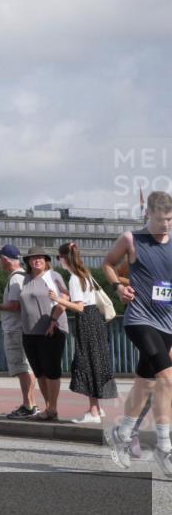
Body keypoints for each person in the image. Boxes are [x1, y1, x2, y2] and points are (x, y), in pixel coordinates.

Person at [102, 190, 172, 475]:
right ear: (148, 215)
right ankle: (165, 447)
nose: (165, 225)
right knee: (167, 377)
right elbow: (107, 264)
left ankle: (122, 432)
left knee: (146, 384)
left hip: (167, 322)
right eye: (160, 220)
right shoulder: (132, 239)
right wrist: (119, 286)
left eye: (170, 219)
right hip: (140, 318)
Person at [52, 242, 118, 423]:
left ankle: (93, 411)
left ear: (64, 258)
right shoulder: (85, 274)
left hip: (86, 320)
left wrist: (57, 299)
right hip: (96, 319)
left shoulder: (74, 278)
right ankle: (97, 409)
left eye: (59, 258)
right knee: (95, 361)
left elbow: (79, 307)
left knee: (86, 362)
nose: (59, 261)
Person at [18, 246, 70, 421]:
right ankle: (48, 407)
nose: (37, 260)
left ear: (46, 260)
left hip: (51, 329)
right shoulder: (26, 279)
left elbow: (65, 299)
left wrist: (54, 319)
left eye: (40, 257)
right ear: (28, 262)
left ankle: (53, 407)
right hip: (29, 331)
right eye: (33, 258)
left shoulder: (53, 276)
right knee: (39, 371)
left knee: (52, 370)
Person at [0, 244, 39, 419]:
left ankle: (28, 405)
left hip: (15, 329)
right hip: (25, 328)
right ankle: (31, 403)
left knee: (21, 368)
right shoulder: (24, 276)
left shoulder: (15, 279)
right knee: (28, 367)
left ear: (4, 259)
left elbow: (16, 305)